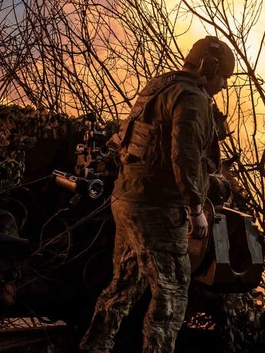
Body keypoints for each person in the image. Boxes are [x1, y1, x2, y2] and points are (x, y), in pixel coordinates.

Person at [80, 36, 236, 353]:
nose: (222, 84)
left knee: (125, 282)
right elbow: (185, 156)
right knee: (173, 289)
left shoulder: (161, 85)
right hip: (158, 207)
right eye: (223, 77)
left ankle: (94, 346)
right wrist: (195, 210)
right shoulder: (191, 98)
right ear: (209, 67)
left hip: (127, 198)